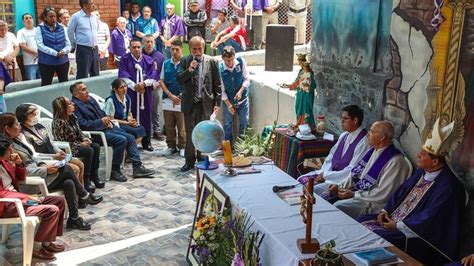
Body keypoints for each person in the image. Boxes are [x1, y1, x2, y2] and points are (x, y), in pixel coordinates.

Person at [357, 119, 466, 265]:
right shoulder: (422, 171)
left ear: (435, 161)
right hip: (394, 220)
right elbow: (400, 192)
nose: (419, 155)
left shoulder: (449, 187)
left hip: (417, 234)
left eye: (424, 153)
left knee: (376, 235)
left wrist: (397, 225)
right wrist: (385, 210)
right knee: (360, 221)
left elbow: (431, 217)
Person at [0, 113, 102, 230]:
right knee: (68, 169)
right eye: (17, 124)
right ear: (7, 129)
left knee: (69, 182)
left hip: (37, 171)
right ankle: (84, 195)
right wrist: (45, 170)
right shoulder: (6, 149)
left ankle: (74, 218)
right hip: (30, 183)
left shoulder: (18, 139)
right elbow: (24, 174)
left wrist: (43, 165)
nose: (20, 126)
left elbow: (32, 158)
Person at [322, 121, 411, 218]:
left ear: (382, 137)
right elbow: (355, 174)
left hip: (373, 202)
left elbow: (383, 193)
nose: (368, 134)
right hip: (360, 193)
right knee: (324, 193)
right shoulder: (372, 150)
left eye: (372, 132)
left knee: (337, 207)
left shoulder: (396, 162)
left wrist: (354, 194)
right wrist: (339, 186)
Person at [70, 81, 155, 181]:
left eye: (86, 88)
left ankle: (137, 167)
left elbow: (102, 113)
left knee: (131, 137)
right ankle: (114, 170)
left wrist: (107, 121)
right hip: (95, 134)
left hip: (106, 127)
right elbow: (82, 124)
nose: (87, 92)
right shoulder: (75, 106)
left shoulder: (90, 99)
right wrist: (101, 122)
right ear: (76, 94)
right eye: (83, 90)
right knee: (121, 140)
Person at [0, 134, 66, 261]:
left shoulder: (5, 162)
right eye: (9, 150)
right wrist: (26, 198)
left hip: (18, 200)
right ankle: (36, 248)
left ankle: (46, 242)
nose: (12, 152)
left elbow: (21, 178)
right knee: (51, 210)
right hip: (7, 206)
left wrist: (19, 164)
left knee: (59, 201)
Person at [15, 103, 90, 191]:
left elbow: (50, 142)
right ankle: (79, 193)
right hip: (45, 160)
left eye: (36, 113)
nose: (36, 116)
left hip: (56, 155)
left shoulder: (39, 126)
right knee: (75, 168)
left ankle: (82, 192)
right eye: (32, 114)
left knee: (80, 164)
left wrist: (58, 151)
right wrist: (54, 156)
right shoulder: (23, 133)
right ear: (23, 116)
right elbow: (34, 155)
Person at [297, 105, 369, 195]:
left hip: (341, 181)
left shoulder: (363, 142)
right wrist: (324, 173)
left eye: (345, 119)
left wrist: (326, 176)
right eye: (341, 118)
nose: (341, 121)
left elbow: (352, 170)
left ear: (355, 120)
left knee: (311, 190)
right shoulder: (344, 135)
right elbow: (330, 158)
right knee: (300, 181)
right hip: (329, 175)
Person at [177, 36, 221, 172]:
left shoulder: (212, 62)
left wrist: (217, 103)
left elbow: (217, 84)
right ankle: (189, 161)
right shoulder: (184, 61)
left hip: (205, 103)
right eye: (194, 49)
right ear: (190, 49)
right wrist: (189, 70)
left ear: (204, 48)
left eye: (200, 48)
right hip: (190, 103)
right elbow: (179, 78)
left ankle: (202, 158)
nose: (197, 52)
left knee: (204, 132)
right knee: (190, 132)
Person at [51, 97, 105, 190]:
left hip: (78, 144)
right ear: (63, 108)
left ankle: (94, 175)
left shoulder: (72, 117)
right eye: (69, 104)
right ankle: (86, 179)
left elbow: (79, 133)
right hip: (68, 149)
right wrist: (81, 144)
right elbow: (62, 142)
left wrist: (85, 139)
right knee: (88, 150)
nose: (73, 104)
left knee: (95, 146)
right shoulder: (58, 122)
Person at [118, 38, 157, 151]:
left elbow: (153, 75)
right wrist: (135, 86)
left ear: (141, 47)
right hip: (131, 93)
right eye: (134, 47)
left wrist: (144, 84)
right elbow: (123, 75)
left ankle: (146, 142)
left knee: (146, 116)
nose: (136, 49)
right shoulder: (125, 59)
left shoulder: (148, 60)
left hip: (145, 93)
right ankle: (133, 143)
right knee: (131, 114)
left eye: (138, 47)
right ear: (130, 48)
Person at [159, 40, 185, 157]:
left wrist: (180, 95)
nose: (174, 52)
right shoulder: (166, 63)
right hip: (168, 99)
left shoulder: (186, 63)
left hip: (181, 100)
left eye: (177, 50)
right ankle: (171, 146)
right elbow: (161, 81)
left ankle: (183, 146)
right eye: (172, 49)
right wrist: (170, 95)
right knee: (169, 125)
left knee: (182, 126)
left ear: (181, 50)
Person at [219, 46, 250, 143]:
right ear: (222, 58)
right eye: (227, 60)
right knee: (227, 124)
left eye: (232, 59)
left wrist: (240, 91)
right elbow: (222, 90)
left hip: (243, 99)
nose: (230, 63)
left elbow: (247, 79)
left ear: (234, 56)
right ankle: (228, 147)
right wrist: (228, 105)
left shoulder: (241, 62)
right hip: (228, 100)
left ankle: (242, 146)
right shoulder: (220, 69)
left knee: (244, 122)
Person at [36, 6, 71, 86]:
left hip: (63, 61)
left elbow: (68, 44)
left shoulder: (62, 27)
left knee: (64, 83)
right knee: (46, 84)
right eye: (51, 17)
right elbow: (40, 45)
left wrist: (64, 51)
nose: (53, 19)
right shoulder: (39, 28)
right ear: (45, 17)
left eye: (54, 16)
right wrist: (55, 53)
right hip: (46, 63)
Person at [68, 0, 100, 79]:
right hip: (83, 49)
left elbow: (96, 30)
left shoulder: (95, 17)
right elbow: (70, 32)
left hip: (95, 48)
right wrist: (73, 44)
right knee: (83, 73)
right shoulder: (76, 17)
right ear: (84, 6)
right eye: (91, 3)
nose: (94, 5)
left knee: (96, 73)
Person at [142, 35, 166, 141]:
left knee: (155, 108)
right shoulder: (139, 54)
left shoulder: (159, 56)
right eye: (147, 42)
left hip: (156, 86)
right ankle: (145, 130)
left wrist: (158, 82)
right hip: (142, 86)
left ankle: (156, 129)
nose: (149, 44)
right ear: (143, 43)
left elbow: (162, 72)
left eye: (151, 42)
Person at [283, 53, 316, 128]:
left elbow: (311, 85)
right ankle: (299, 125)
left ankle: (307, 126)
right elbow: (297, 82)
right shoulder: (301, 71)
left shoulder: (309, 73)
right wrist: (289, 85)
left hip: (306, 96)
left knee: (306, 110)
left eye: (300, 63)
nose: (300, 64)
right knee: (299, 109)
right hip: (300, 94)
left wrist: (304, 86)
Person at [17, 13, 40, 80]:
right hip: (29, 63)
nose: (29, 20)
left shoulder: (38, 30)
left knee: (43, 83)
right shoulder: (21, 32)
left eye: (30, 18)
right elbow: (23, 46)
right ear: (23, 21)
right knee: (32, 84)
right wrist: (37, 53)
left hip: (42, 62)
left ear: (33, 20)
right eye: (26, 18)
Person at [58, 9, 76, 77]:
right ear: (60, 18)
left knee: (76, 76)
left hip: (75, 56)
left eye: (67, 17)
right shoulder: (58, 28)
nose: (66, 19)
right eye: (64, 17)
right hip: (65, 57)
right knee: (65, 76)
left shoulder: (73, 27)